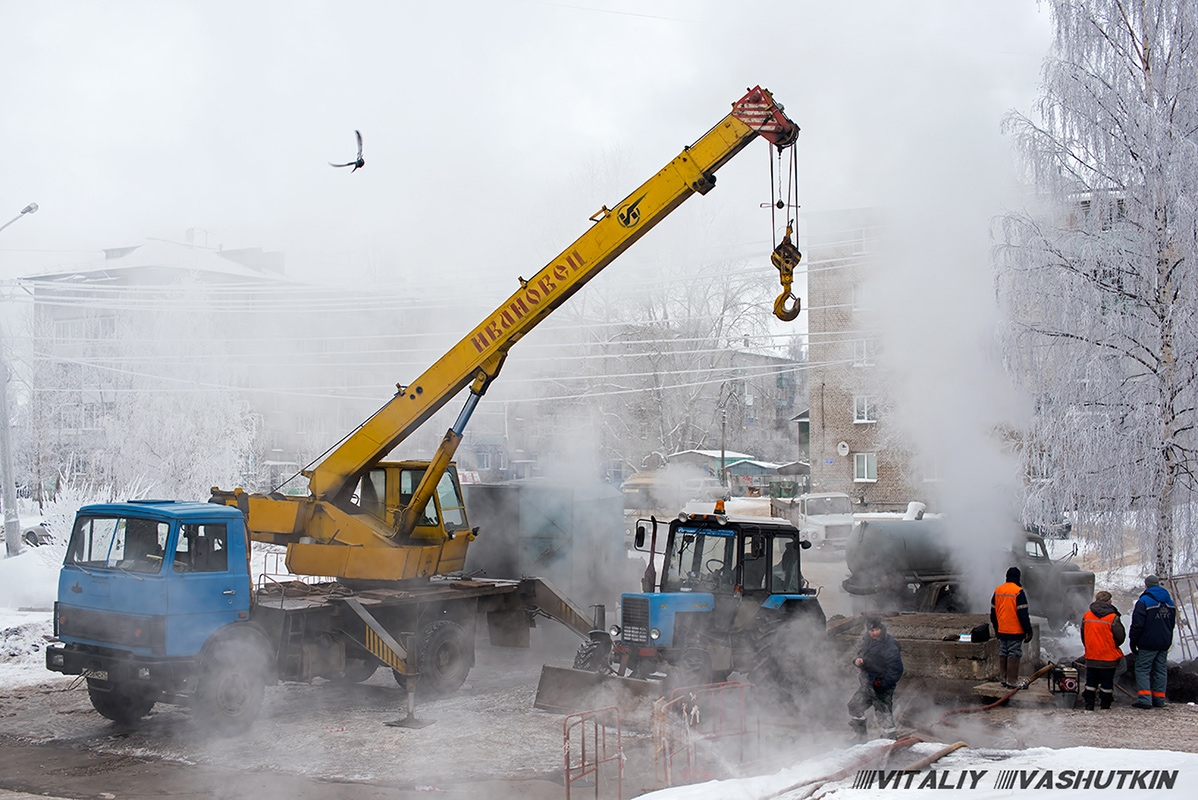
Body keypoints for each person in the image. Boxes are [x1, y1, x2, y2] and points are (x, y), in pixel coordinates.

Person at [848, 617, 904, 742]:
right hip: (867, 683)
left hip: (881, 686)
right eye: (871, 630)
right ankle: (860, 736)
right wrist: (857, 661)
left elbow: (896, 669)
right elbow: (860, 654)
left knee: (883, 714)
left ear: (881, 628)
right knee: (854, 706)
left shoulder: (890, 644)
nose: (874, 633)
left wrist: (883, 683)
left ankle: (889, 739)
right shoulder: (867, 641)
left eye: (876, 630)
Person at [1129, 575, 1176, 709]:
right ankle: (1159, 699)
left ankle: (1145, 700)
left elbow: (1137, 625)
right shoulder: (1170, 602)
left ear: (1146, 586)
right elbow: (1171, 624)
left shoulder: (1144, 601)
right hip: (1164, 642)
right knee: (1160, 670)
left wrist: (1133, 641)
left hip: (1148, 643)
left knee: (1142, 669)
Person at [1080, 590, 1125, 710]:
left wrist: (1090, 646)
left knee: (1090, 682)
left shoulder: (1087, 615)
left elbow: (1083, 635)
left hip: (1092, 656)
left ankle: (1089, 705)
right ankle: (1105, 705)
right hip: (1108, 658)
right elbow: (1120, 637)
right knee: (1107, 683)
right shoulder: (1113, 617)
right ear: (1109, 601)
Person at [990, 567, 1033, 688]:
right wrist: (1028, 631)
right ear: (1018, 578)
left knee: (1003, 651)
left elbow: (993, 613)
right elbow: (1023, 615)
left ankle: (1003, 679)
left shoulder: (998, 590)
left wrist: (996, 629)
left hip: (1002, 630)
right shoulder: (1018, 591)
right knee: (1014, 653)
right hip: (1015, 631)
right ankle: (1012, 681)